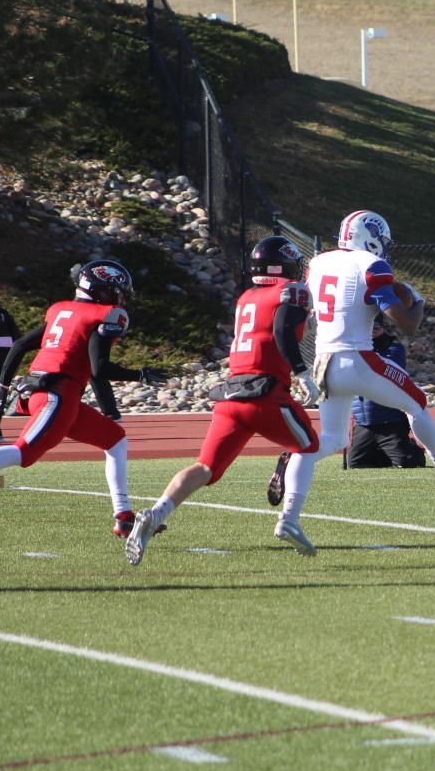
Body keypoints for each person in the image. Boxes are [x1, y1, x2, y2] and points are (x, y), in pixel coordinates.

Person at [270, 210, 435, 552]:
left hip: (323, 364)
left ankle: (289, 517)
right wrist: (418, 301)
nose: (384, 247)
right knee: (417, 403)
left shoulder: (318, 263)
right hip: (358, 359)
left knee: (328, 440)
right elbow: (405, 322)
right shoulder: (371, 264)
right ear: (368, 236)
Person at [126, 236, 321, 565]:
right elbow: (281, 331)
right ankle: (289, 520)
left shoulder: (247, 296)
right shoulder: (292, 291)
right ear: (282, 265)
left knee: (205, 468)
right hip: (265, 392)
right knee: (310, 445)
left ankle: (156, 513)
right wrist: (302, 373)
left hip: (231, 394)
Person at [0, 260, 163, 536]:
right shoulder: (106, 314)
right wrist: (140, 374)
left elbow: (20, 345)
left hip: (47, 391)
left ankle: (124, 517)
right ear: (102, 289)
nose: (121, 296)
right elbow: (100, 369)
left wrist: (2, 387)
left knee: (115, 439)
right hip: (56, 395)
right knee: (24, 452)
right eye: (117, 289)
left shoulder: (61, 309)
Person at [348, 317, 426, 469]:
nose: (371, 332)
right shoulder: (353, 347)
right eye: (367, 328)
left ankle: (412, 450)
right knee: (356, 464)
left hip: (390, 421)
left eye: (375, 328)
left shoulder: (393, 348)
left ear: (383, 328)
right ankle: (382, 452)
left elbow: (385, 370)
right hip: (364, 423)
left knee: (406, 464)